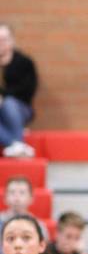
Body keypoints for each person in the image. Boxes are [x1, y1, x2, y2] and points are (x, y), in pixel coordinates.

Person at [0, 25, 38, 159]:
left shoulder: (24, 62)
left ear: (12, 41)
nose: (1, 43)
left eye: (4, 39)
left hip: (21, 108)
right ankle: (16, 144)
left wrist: (3, 98)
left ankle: (15, 141)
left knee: (9, 103)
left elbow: (28, 90)